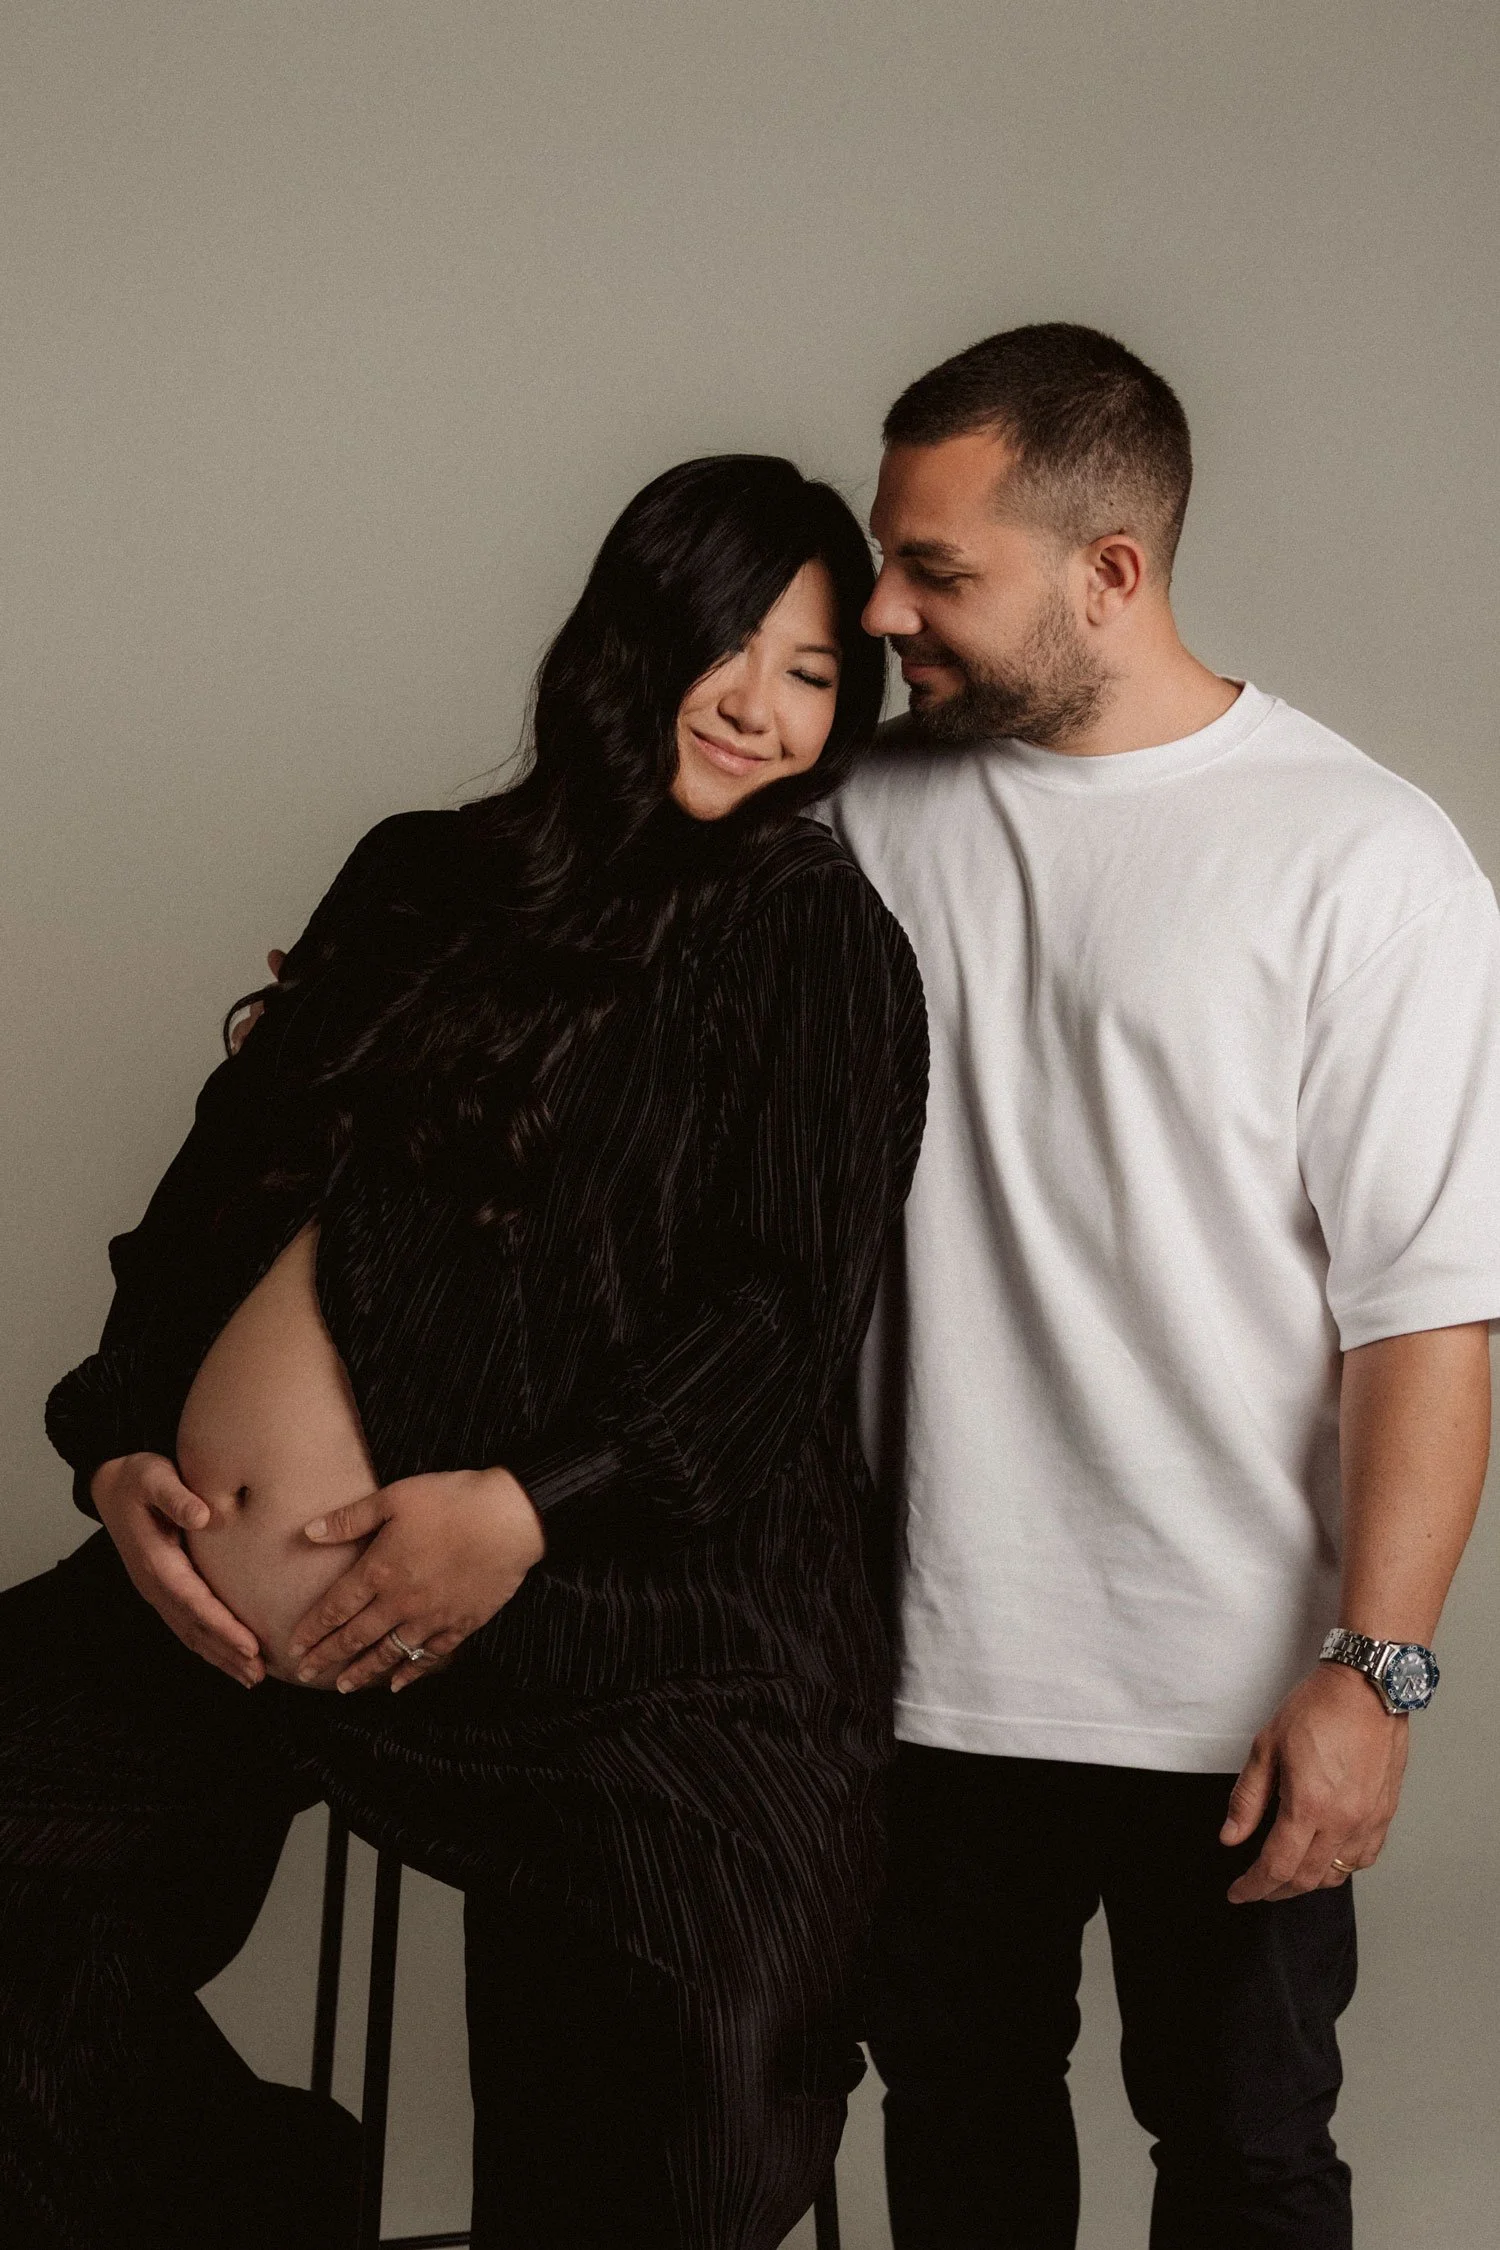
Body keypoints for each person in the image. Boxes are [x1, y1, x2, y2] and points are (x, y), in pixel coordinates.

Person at [0, 454, 928, 2250]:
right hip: (220, 1622)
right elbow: (206, 1206)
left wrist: (526, 1506)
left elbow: (778, 1322)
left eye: (810, 672)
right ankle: (259, 2197)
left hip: (628, 1644)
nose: (754, 703)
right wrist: (120, 1449)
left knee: (706, 2078)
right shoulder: (421, 881)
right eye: (721, 645)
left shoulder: (808, 935)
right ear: (624, 637)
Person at [828, 323, 1500, 2250]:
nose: (882, 609)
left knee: (1247, 2164)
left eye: (936, 569)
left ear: (1109, 573)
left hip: (1234, 1693)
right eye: (889, 556)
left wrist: (1375, 1670)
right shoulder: (862, 817)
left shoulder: (1364, 860)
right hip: (923, 1669)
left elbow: (1423, 1318)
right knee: (957, 2132)